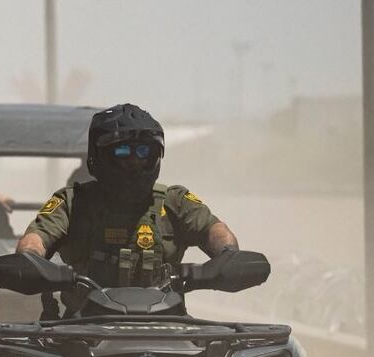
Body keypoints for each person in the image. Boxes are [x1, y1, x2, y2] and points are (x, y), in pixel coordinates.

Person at [17, 103, 238, 287]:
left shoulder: (176, 201)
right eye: (122, 152)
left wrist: (228, 256)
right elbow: (35, 241)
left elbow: (215, 231)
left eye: (143, 152)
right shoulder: (73, 202)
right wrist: (29, 260)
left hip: (166, 325)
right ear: (97, 156)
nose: (134, 161)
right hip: (83, 328)